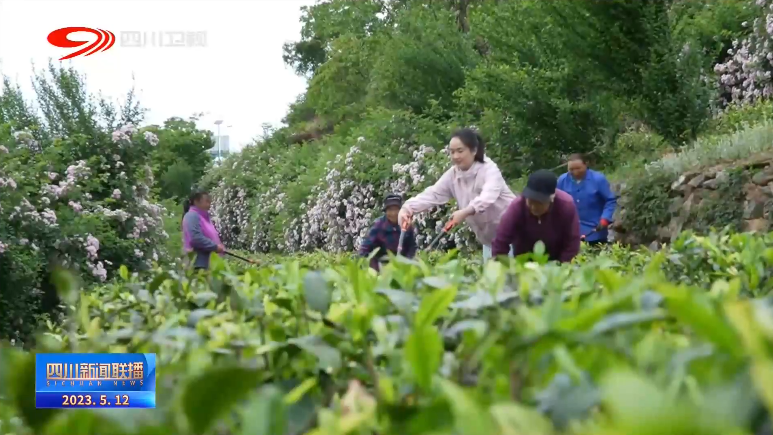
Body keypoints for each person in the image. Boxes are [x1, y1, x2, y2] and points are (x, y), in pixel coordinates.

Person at [398, 128, 517, 261]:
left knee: (519, 281)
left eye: (460, 151)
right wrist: (406, 208)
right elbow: (433, 194)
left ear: (474, 150)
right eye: (452, 152)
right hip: (490, 243)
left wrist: (465, 211)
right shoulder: (453, 175)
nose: (455, 156)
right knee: (493, 281)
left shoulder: (489, 170)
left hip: (516, 238)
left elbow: (488, 196)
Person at [491, 169, 581, 263]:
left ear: (551, 198)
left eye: (539, 203)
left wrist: (562, 267)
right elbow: (501, 241)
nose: (534, 207)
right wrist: (500, 267)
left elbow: (572, 242)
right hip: (524, 262)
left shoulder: (566, 205)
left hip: (556, 261)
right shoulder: (517, 207)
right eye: (530, 202)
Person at [557, 153, 617, 245]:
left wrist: (605, 219)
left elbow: (610, 200)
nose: (575, 172)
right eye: (571, 169)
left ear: (586, 164)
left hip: (595, 231)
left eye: (578, 168)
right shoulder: (562, 180)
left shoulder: (598, 179)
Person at [359, 194, 417, 271]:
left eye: (396, 210)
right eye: (390, 210)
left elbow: (412, 247)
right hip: (381, 268)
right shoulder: (378, 226)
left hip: (402, 267)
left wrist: (408, 262)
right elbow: (365, 249)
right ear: (386, 211)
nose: (393, 213)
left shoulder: (406, 224)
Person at [182, 189, 225, 270]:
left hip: (207, 264)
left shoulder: (205, 217)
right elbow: (195, 238)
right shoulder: (192, 216)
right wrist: (215, 247)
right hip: (198, 264)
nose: (209, 204)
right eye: (207, 201)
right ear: (196, 201)